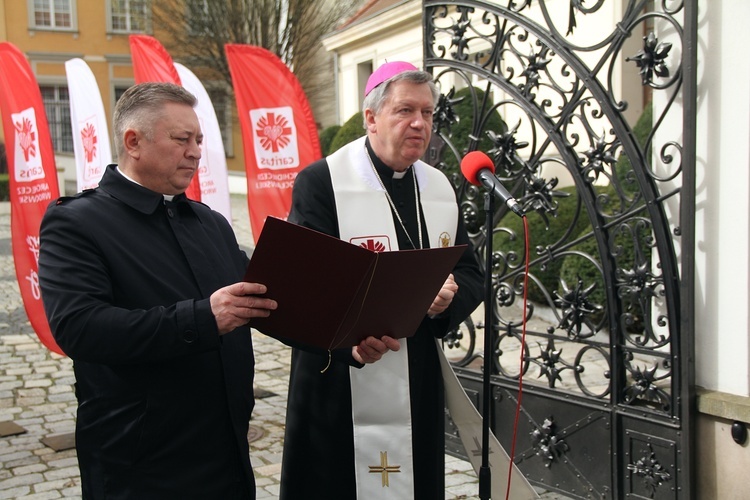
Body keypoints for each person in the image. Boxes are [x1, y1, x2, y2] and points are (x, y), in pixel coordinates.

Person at [38, 82, 279, 499]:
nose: (196, 151)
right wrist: (203, 318)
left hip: (226, 454)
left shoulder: (210, 223)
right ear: (134, 141)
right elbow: (79, 328)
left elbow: (260, 301)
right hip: (141, 464)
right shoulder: (77, 223)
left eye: (199, 139)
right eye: (181, 139)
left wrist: (343, 340)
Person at [279, 61, 484, 499]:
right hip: (338, 377)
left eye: (428, 113)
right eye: (405, 110)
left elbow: (470, 272)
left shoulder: (438, 187)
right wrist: (350, 341)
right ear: (371, 117)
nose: (419, 123)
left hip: (415, 372)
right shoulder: (323, 182)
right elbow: (305, 286)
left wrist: (449, 299)